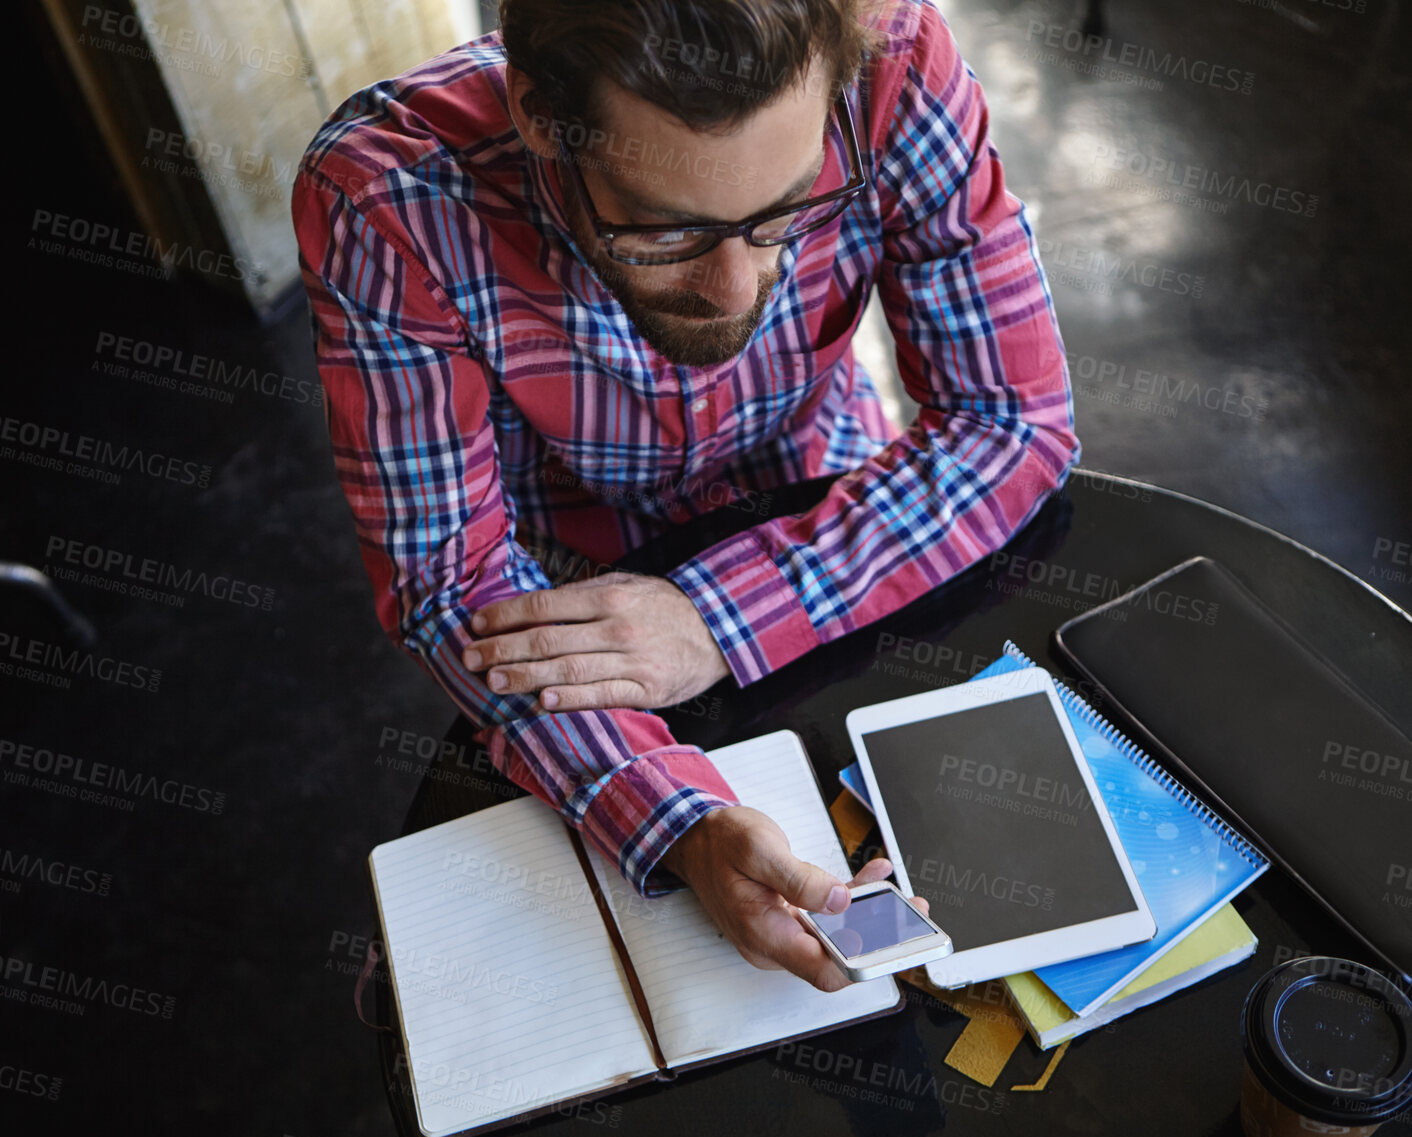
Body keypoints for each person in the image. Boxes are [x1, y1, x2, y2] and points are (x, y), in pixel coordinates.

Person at [291, 0, 1078, 993]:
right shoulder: (385, 195)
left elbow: (1012, 421)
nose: (738, 291)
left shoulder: (891, 56)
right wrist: (685, 828)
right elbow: (451, 580)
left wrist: (714, 617)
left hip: (832, 510)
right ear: (541, 116)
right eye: (666, 230)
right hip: (567, 588)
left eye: (788, 210)